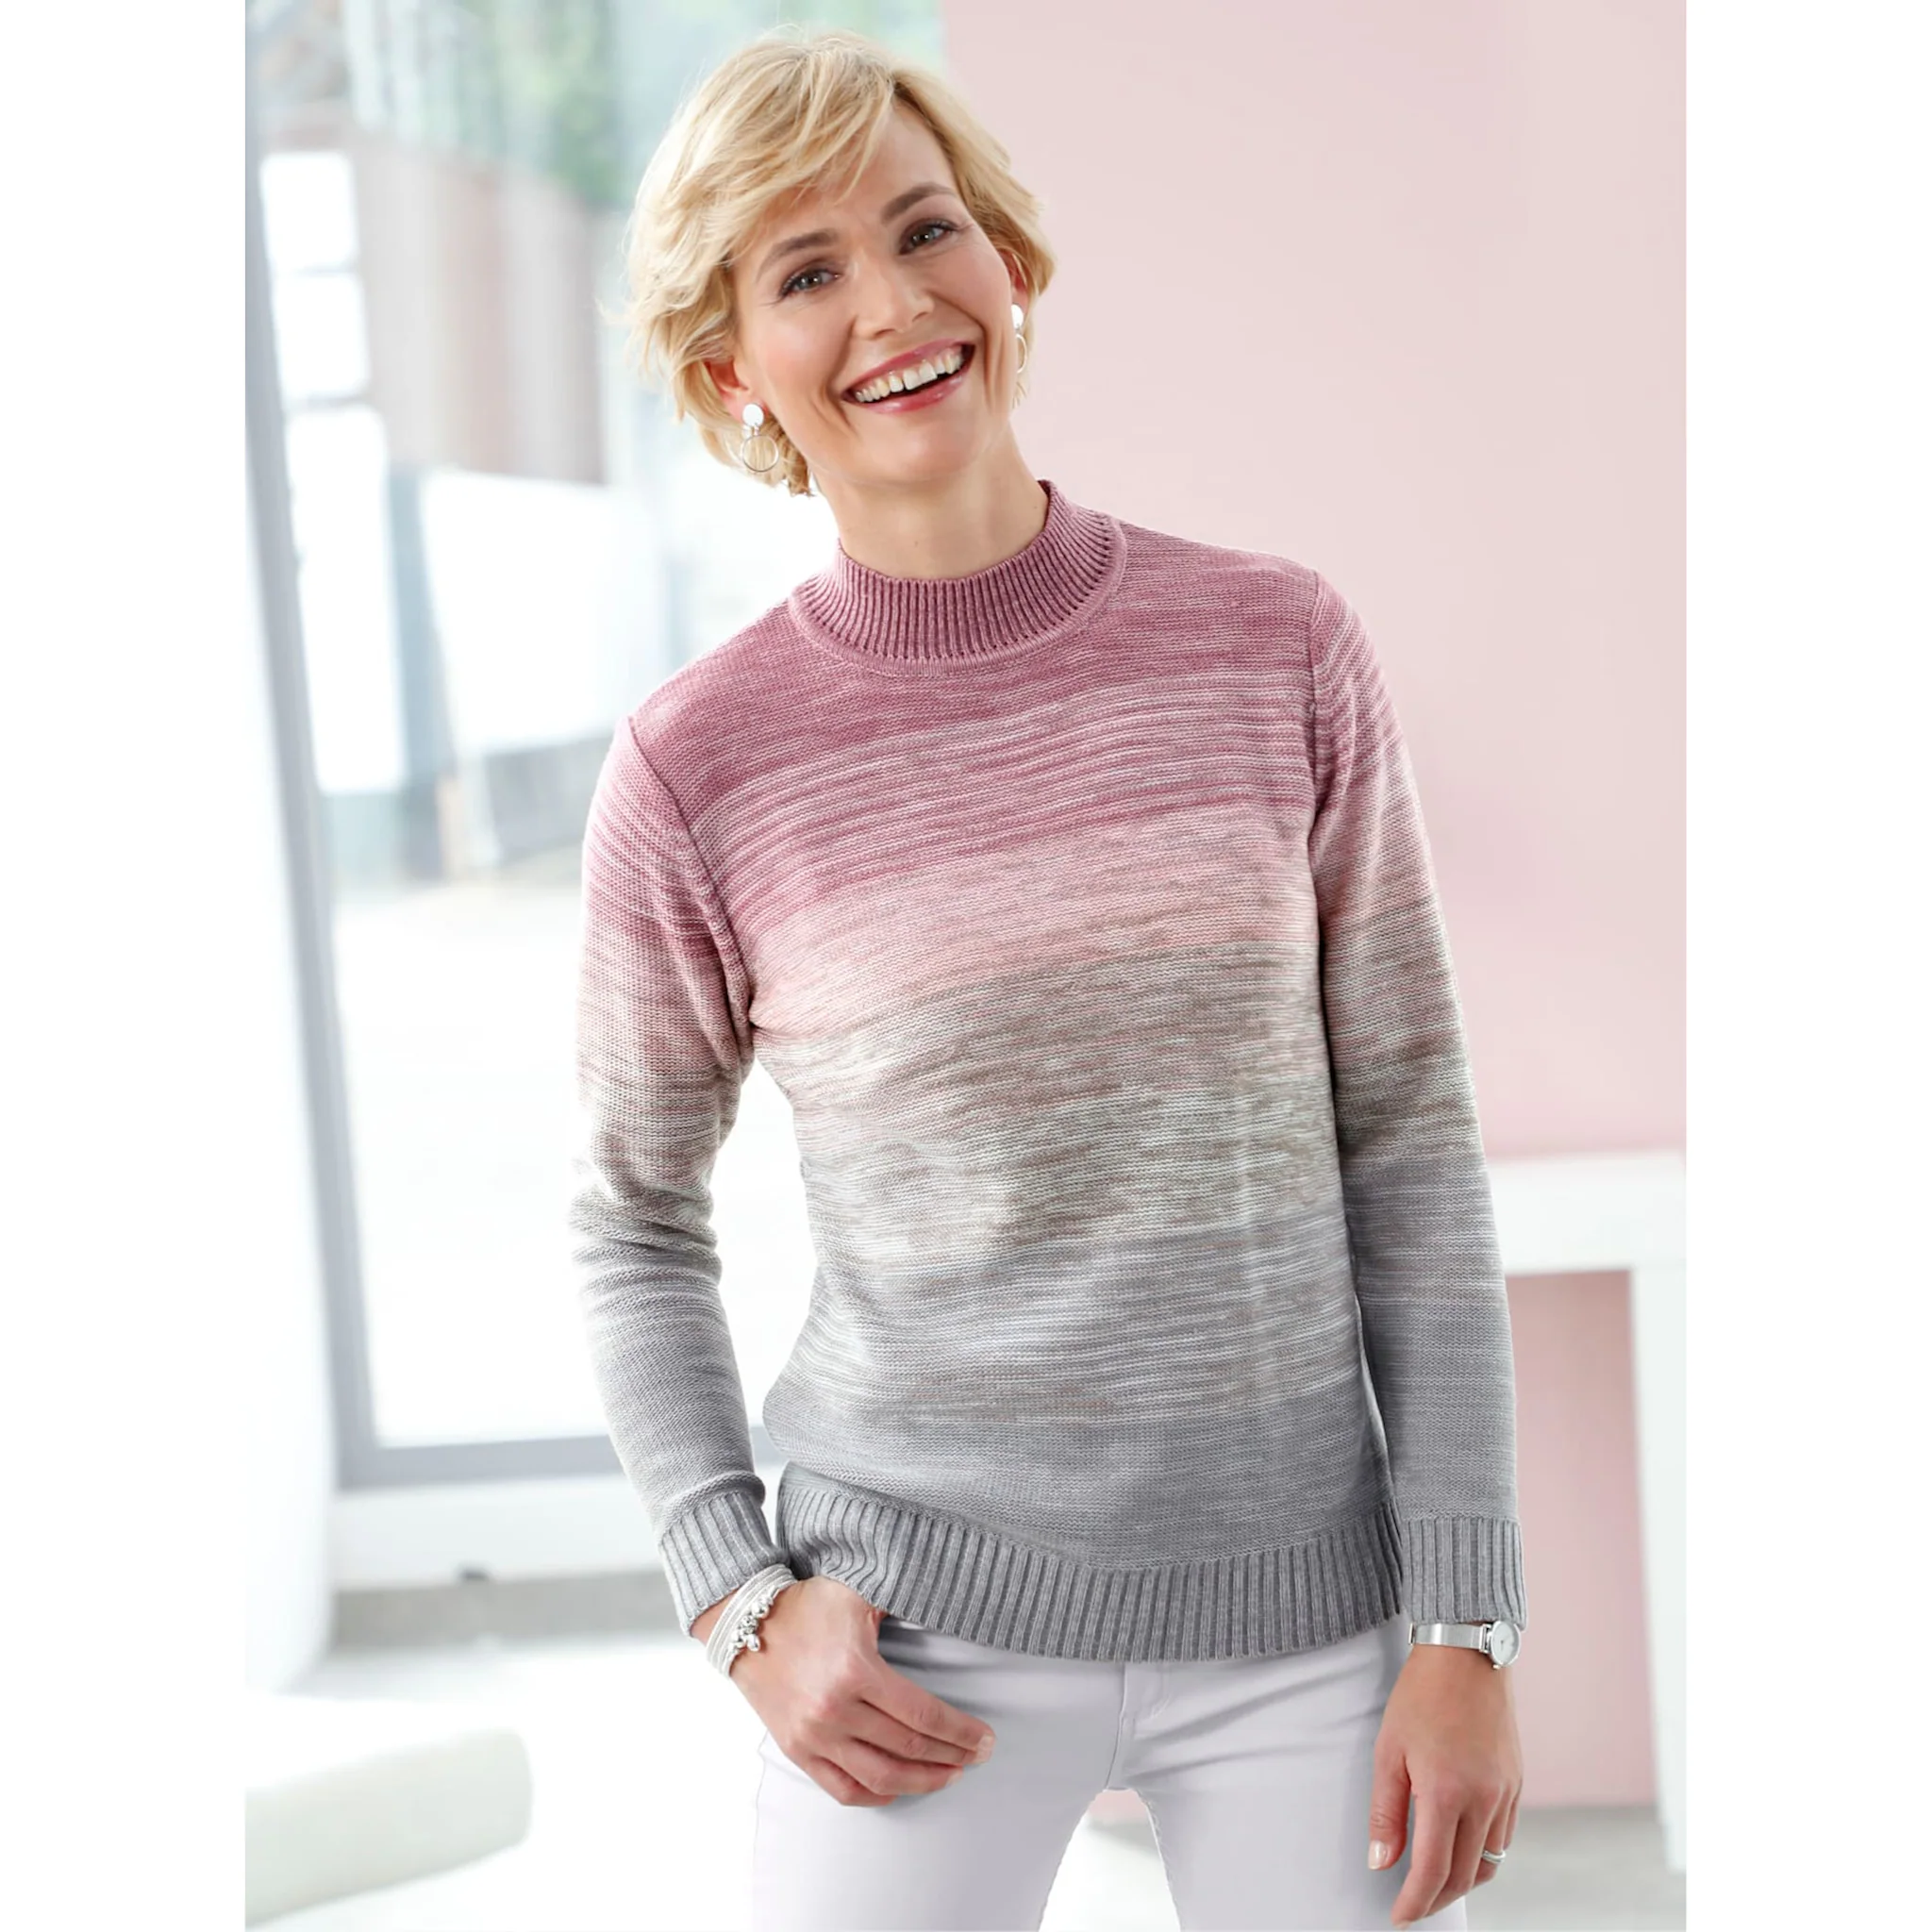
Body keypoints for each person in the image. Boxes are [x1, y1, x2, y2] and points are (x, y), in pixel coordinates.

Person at [570, 25, 1527, 1932]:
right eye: (804, 270)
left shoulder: (1277, 648)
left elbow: (1412, 1144)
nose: (891, 303)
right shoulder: (697, 766)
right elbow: (630, 1223)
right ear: (731, 368)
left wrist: (1467, 1620)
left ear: (1008, 262)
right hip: (908, 1640)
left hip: (1305, 1625)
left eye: (926, 229)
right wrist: (737, 1600)